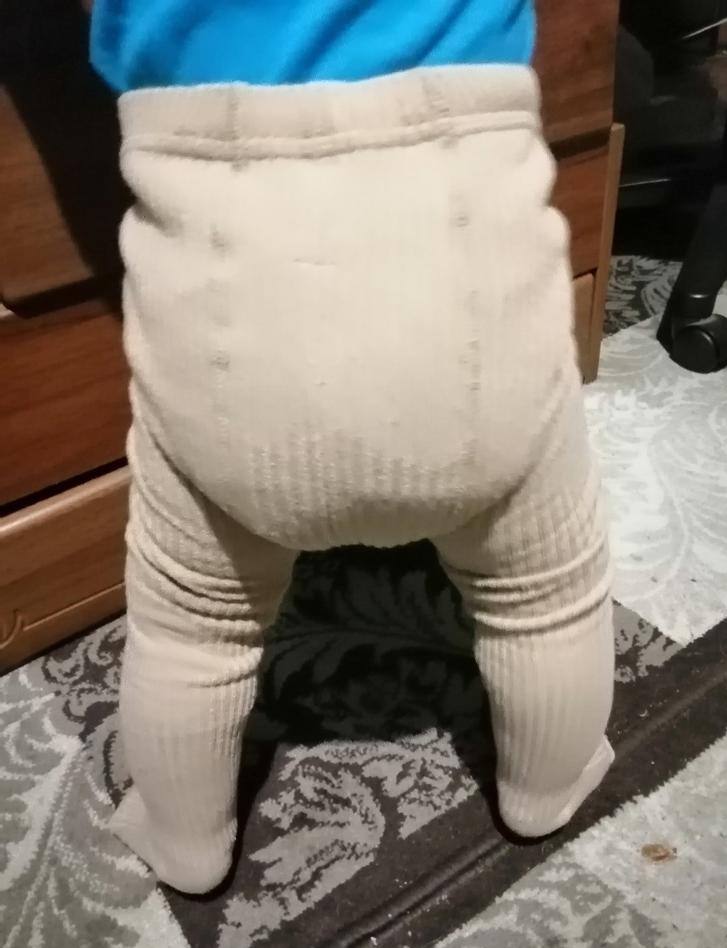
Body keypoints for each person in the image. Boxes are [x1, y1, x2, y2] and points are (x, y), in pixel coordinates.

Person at [90, 0, 615, 895]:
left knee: (192, 626)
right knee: (545, 593)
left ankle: (183, 840)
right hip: (465, 242)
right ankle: (546, 790)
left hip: (220, 259)